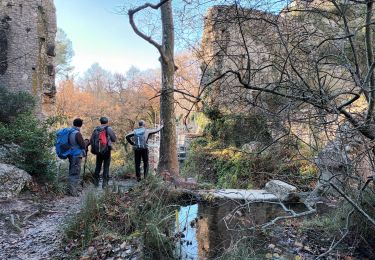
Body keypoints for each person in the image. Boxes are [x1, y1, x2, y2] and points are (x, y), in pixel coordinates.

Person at [90, 117, 117, 188]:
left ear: (100, 122)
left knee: (98, 166)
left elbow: (91, 140)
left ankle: (95, 184)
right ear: (107, 122)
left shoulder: (96, 129)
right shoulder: (108, 128)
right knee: (106, 167)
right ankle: (105, 184)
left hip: (98, 151)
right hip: (106, 150)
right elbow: (114, 139)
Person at [67, 118, 86, 196]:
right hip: (77, 155)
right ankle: (73, 192)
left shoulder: (69, 131)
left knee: (71, 171)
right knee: (75, 173)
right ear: (80, 125)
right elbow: (82, 145)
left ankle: (69, 189)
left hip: (70, 154)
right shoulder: (77, 133)